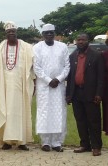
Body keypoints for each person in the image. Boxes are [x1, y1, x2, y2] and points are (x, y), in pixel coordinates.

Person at [0, 21, 35, 150]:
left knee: (21, 112)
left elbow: (32, 66)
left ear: (16, 33)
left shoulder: (26, 47)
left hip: (20, 86)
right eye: (9, 32)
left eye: (13, 31)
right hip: (4, 87)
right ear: (5, 33)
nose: (11, 33)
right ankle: (6, 141)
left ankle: (22, 142)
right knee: (6, 111)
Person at [33, 24, 70, 152]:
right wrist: (49, 80)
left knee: (58, 112)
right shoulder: (37, 48)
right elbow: (36, 67)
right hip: (44, 86)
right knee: (44, 112)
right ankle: (45, 142)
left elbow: (67, 66)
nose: (49, 35)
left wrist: (58, 79)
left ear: (54, 34)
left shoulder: (63, 47)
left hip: (59, 86)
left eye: (51, 33)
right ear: (43, 35)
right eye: (46, 33)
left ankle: (57, 142)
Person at [66, 33, 104, 156]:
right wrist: (68, 94)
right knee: (80, 120)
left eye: (83, 40)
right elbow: (70, 77)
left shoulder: (97, 55)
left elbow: (101, 77)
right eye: (78, 40)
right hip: (76, 93)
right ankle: (84, 144)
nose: (80, 42)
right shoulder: (72, 56)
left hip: (91, 93)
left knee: (94, 121)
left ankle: (96, 146)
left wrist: (99, 93)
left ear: (88, 41)